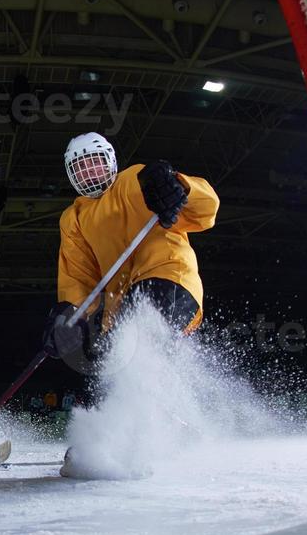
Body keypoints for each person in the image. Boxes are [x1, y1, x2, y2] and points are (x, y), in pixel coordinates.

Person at [43, 131, 219, 364]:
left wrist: (178, 188)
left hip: (168, 278)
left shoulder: (136, 180)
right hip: (121, 305)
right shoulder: (73, 218)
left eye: (95, 163)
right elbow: (77, 277)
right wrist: (69, 316)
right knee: (115, 358)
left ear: (110, 161)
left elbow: (206, 211)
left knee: (139, 335)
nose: (89, 172)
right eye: (80, 167)